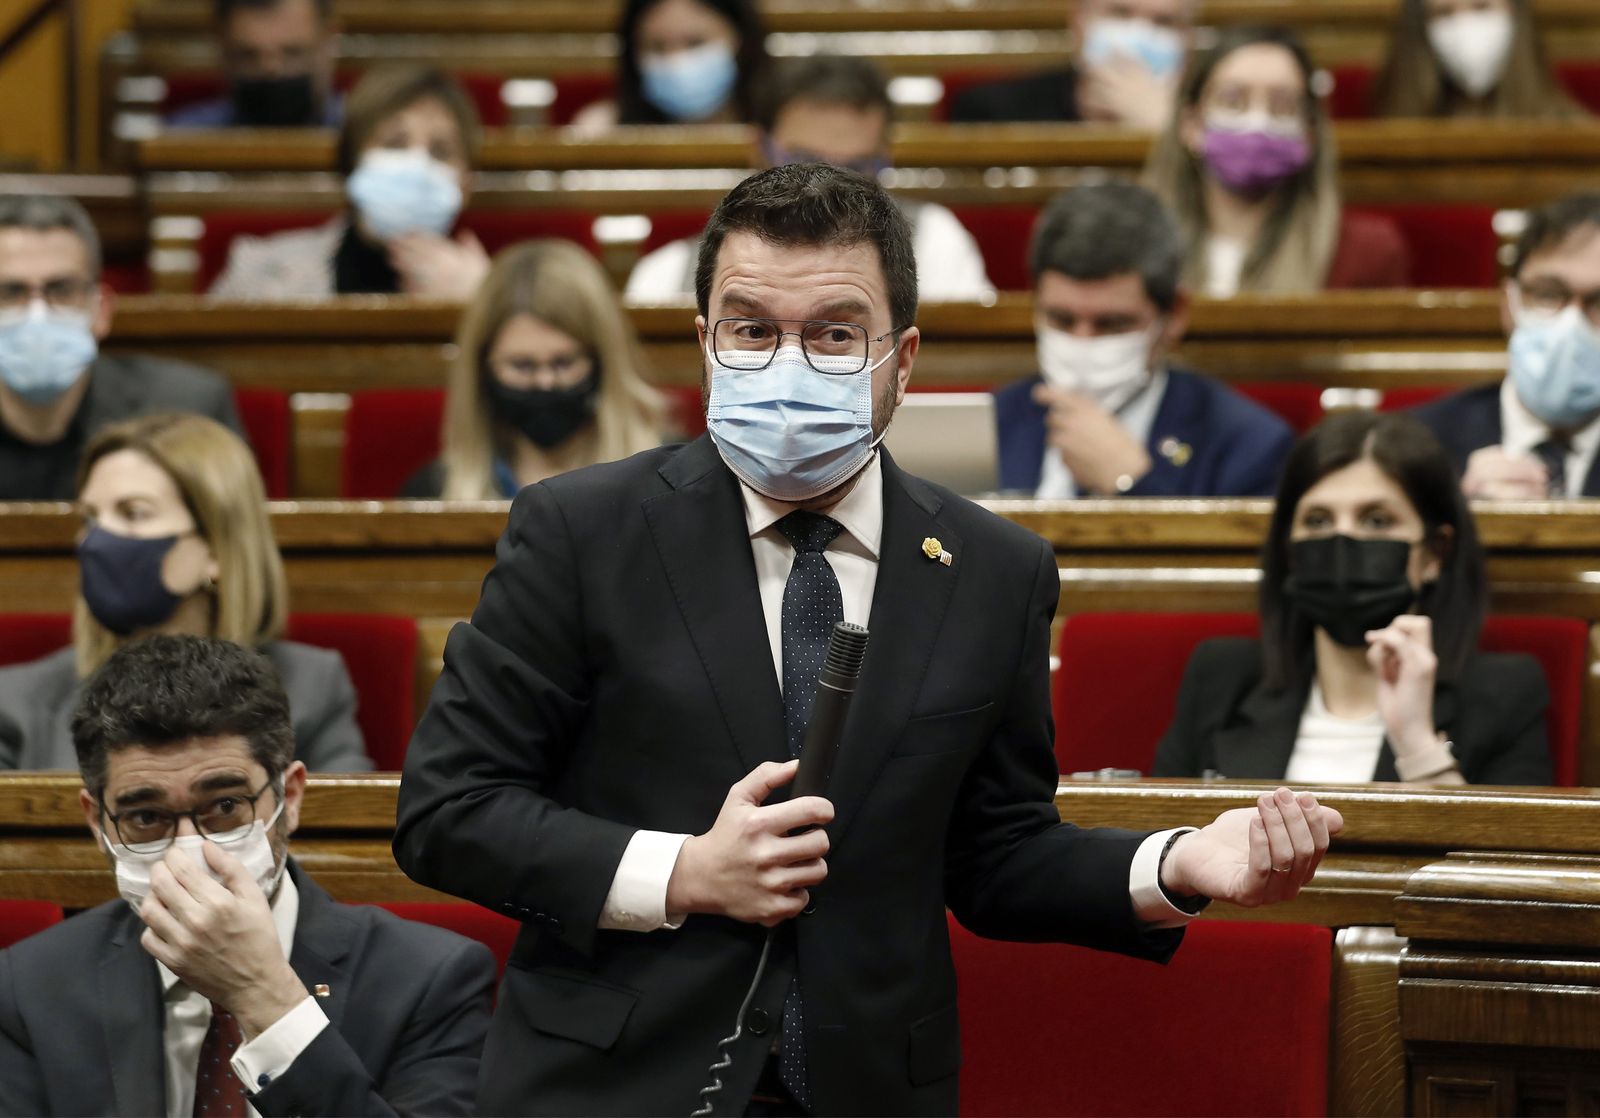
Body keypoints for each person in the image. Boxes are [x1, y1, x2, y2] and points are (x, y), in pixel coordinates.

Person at [392, 162, 1343, 1116]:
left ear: (903, 359)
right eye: (752, 330)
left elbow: (997, 852)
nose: (788, 364)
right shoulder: (581, 532)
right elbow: (451, 811)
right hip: (612, 1083)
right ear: (706, 344)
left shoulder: (995, 570)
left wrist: (1177, 864)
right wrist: (685, 872)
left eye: (834, 334)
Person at [0, 634, 494, 1115]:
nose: (189, 855)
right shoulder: (29, 988)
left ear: (289, 797)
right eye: (146, 817)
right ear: (97, 822)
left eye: (225, 806)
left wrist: (263, 996)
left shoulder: (427, 980)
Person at [1154, 410, 1552, 785]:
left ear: (1435, 552)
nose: (1342, 542)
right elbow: (1165, 827)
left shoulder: (1504, 695)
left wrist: (1418, 745)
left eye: (1376, 520)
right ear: (1289, 549)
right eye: (1318, 520)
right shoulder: (1220, 677)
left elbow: (1504, 839)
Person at [0, 413, 372, 771]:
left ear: (215, 549)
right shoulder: (16, 700)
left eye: (134, 513)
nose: (97, 540)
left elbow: (344, 811)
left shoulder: (311, 687)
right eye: (91, 518)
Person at [994, 179, 1293, 496]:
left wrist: (1131, 484)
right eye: (1062, 320)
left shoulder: (1248, 446)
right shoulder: (994, 421)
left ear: (1174, 316)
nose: (1082, 341)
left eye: (1112, 324)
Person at [626, 54, 994, 302]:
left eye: (855, 168)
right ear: (759, 151)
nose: (828, 188)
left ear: (885, 158)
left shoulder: (934, 243)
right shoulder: (665, 277)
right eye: (805, 163)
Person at [0, 195, 240, 502]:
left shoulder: (189, 409)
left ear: (101, 310)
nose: (37, 313)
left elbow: (230, 528)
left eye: (62, 290)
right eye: (10, 292)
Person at [1144, 26, 1412, 296]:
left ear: (1309, 134)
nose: (1257, 122)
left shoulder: (1366, 252)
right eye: (1233, 102)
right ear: (1191, 125)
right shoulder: (1139, 247)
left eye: (1282, 106)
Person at [403, 239, 665, 499]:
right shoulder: (433, 492)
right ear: (483, 367)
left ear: (603, 361)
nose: (545, 382)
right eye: (522, 365)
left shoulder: (669, 479)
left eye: (564, 362)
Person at [209, 65, 488, 300]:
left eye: (440, 151)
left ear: (466, 184)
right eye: (394, 143)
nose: (417, 164)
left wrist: (476, 305)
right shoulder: (260, 274)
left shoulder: (488, 294)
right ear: (353, 160)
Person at [1413, 192, 1600, 498]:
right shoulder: (1418, 443)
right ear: (1508, 304)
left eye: (1599, 302)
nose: (1571, 324)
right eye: (1547, 294)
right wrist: (1462, 514)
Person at [949, 0, 1196, 129]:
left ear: (1187, 38)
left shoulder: (1199, 124)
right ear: (1079, 21)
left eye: (1164, 22)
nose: (1140, 33)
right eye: (1120, 13)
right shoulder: (995, 113)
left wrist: (1167, 131)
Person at [570, 0, 768, 134]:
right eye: (657, 47)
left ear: (739, 38)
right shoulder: (601, 131)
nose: (676, 61)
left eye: (695, 42)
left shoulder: (779, 128)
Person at [1370, 0, 1585, 120]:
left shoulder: (1578, 136)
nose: (1464, 26)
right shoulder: (1385, 142)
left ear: (1515, 14)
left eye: (1481, 7)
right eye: (1445, 13)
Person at [167, 0, 344, 129]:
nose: (271, 69)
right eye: (249, 56)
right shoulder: (180, 141)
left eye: (292, 52)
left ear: (329, 40)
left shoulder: (359, 140)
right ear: (222, 45)